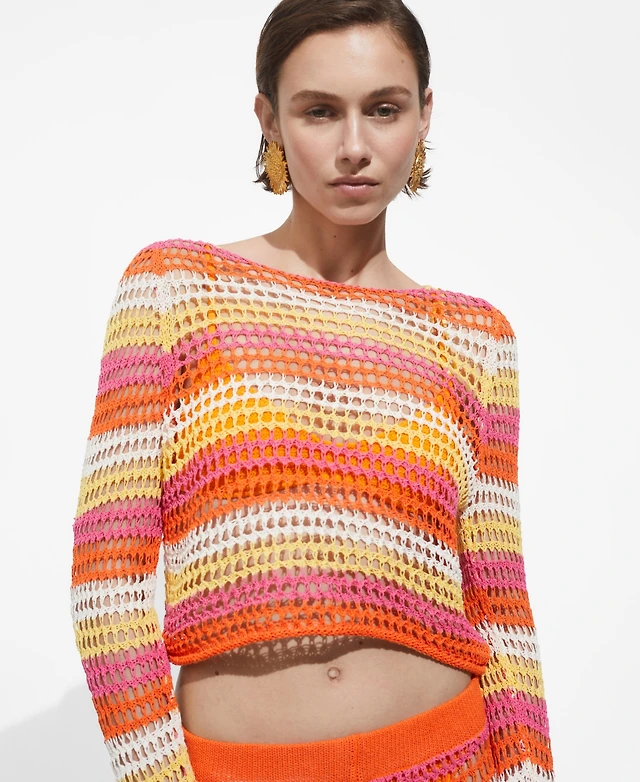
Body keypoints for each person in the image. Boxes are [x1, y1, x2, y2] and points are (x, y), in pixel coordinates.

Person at [69, 1, 555, 780]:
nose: (354, 147)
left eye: (384, 109)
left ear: (425, 115)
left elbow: (499, 603)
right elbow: (108, 583)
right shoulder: (176, 290)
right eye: (319, 111)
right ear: (269, 119)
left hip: (449, 755)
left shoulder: (476, 340)